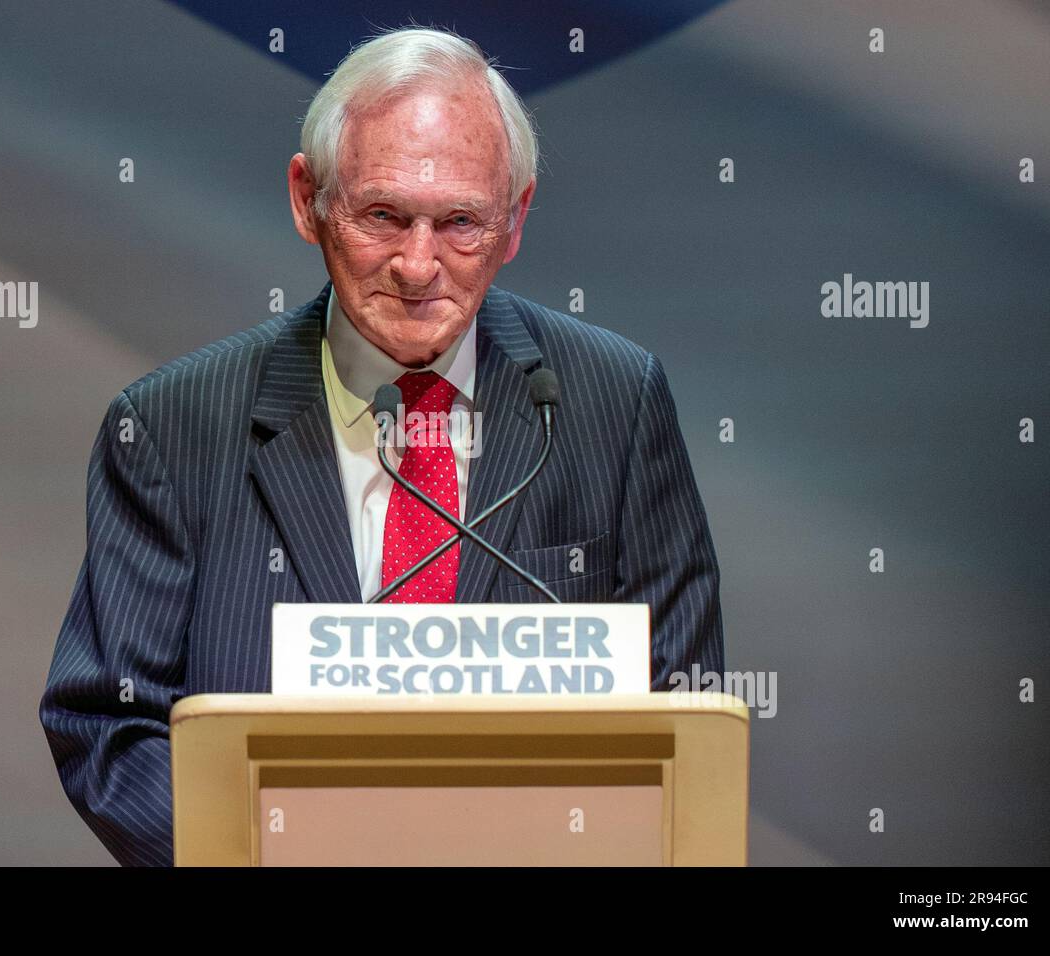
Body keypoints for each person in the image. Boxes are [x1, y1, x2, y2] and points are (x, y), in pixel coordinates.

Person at [40, 26, 724, 867]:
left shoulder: (613, 404)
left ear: (515, 221)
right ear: (308, 200)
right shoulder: (172, 427)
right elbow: (107, 724)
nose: (416, 263)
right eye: (383, 215)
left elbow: (684, 715)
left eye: (461, 222)